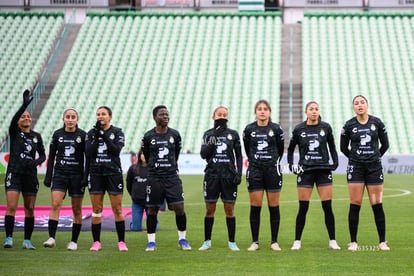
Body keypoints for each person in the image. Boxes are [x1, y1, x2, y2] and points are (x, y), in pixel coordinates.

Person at [287, 101, 341, 250]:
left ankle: (332, 241)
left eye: (316, 109)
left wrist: (335, 162)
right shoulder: (299, 129)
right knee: (303, 207)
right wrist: (292, 165)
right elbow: (290, 149)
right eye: (311, 109)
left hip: (323, 170)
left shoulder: (326, 127)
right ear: (306, 112)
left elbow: (332, 147)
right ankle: (297, 241)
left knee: (327, 207)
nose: (314, 111)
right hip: (306, 171)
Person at [340, 95, 390, 251]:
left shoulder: (377, 123)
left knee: (377, 205)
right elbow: (343, 148)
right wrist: (356, 159)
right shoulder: (348, 125)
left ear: (367, 105)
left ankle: (382, 242)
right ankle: (353, 242)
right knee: (355, 204)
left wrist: (374, 157)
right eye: (356, 103)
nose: (359, 105)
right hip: (356, 169)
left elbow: (385, 144)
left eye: (362, 102)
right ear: (353, 107)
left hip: (374, 168)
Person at [141, 105, 191, 251]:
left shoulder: (175, 134)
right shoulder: (148, 136)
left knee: (179, 207)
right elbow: (148, 155)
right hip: (155, 178)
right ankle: (151, 242)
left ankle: (182, 239)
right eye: (162, 114)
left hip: (172, 177)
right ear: (155, 118)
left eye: (167, 114)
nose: (165, 117)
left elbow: (176, 154)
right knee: (152, 209)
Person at [3, 89, 46, 249]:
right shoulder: (14, 133)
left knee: (30, 208)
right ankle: (8, 238)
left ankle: (27, 241)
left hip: (30, 175)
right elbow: (15, 117)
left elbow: (42, 155)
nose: (26, 117)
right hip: (14, 174)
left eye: (28, 116)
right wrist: (24, 105)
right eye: (23, 116)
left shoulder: (36, 136)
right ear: (18, 121)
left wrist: (35, 163)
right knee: (12, 206)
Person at [198, 106, 243, 251]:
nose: (222, 117)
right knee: (209, 209)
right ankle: (207, 241)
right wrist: (215, 136)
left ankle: (232, 242)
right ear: (214, 117)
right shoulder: (208, 134)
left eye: (225, 114)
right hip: (212, 176)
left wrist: (239, 173)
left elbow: (239, 156)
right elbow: (204, 154)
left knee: (229, 209)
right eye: (219, 114)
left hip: (229, 177)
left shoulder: (233, 134)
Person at [242, 100, 284, 251]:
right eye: (259, 109)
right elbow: (247, 149)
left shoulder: (276, 129)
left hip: (272, 171)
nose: (262, 111)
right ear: (255, 112)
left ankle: (274, 241)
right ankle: (255, 242)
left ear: (269, 112)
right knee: (255, 206)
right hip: (255, 171)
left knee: (274, 206)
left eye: (265, 109)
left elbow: (280, 149)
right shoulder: (249, 129)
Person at [85, 106, 128, 252]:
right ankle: (96, 242)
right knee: (97, 209)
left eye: (103, 114)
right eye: (98, 114)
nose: (100, 116)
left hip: (113, 173)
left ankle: (121, 242)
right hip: (96, 173)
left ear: (110, 116)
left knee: (117, 209)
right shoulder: (91, 133)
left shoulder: (117, 132)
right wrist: (97, 135)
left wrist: (103, 135)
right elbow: (89, 153)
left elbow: (115, 151)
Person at [42, 108, 86, 251]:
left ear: (77, 119)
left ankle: (74, 241)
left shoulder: (82, 135)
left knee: (77, 209)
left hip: (76, 176)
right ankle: (51, 238)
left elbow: (88, 157)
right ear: (63, 119)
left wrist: (86, 177)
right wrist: (48, 176)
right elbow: (52, 156)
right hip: (60, 174)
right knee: (55, 204)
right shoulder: (57, 135)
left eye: (73, 117)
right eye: (67, 116)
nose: (70, 119)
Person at [126, 150, 149, 231]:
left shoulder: (153, 169)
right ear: (139, 155)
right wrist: (133, 195)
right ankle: (134, 223)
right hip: (137, 202)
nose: (144, 155)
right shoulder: (133, 168)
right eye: (142, 153)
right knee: (136, 229)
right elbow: (128, 184)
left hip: (150, 202)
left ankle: (155, 221)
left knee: (153, 228)